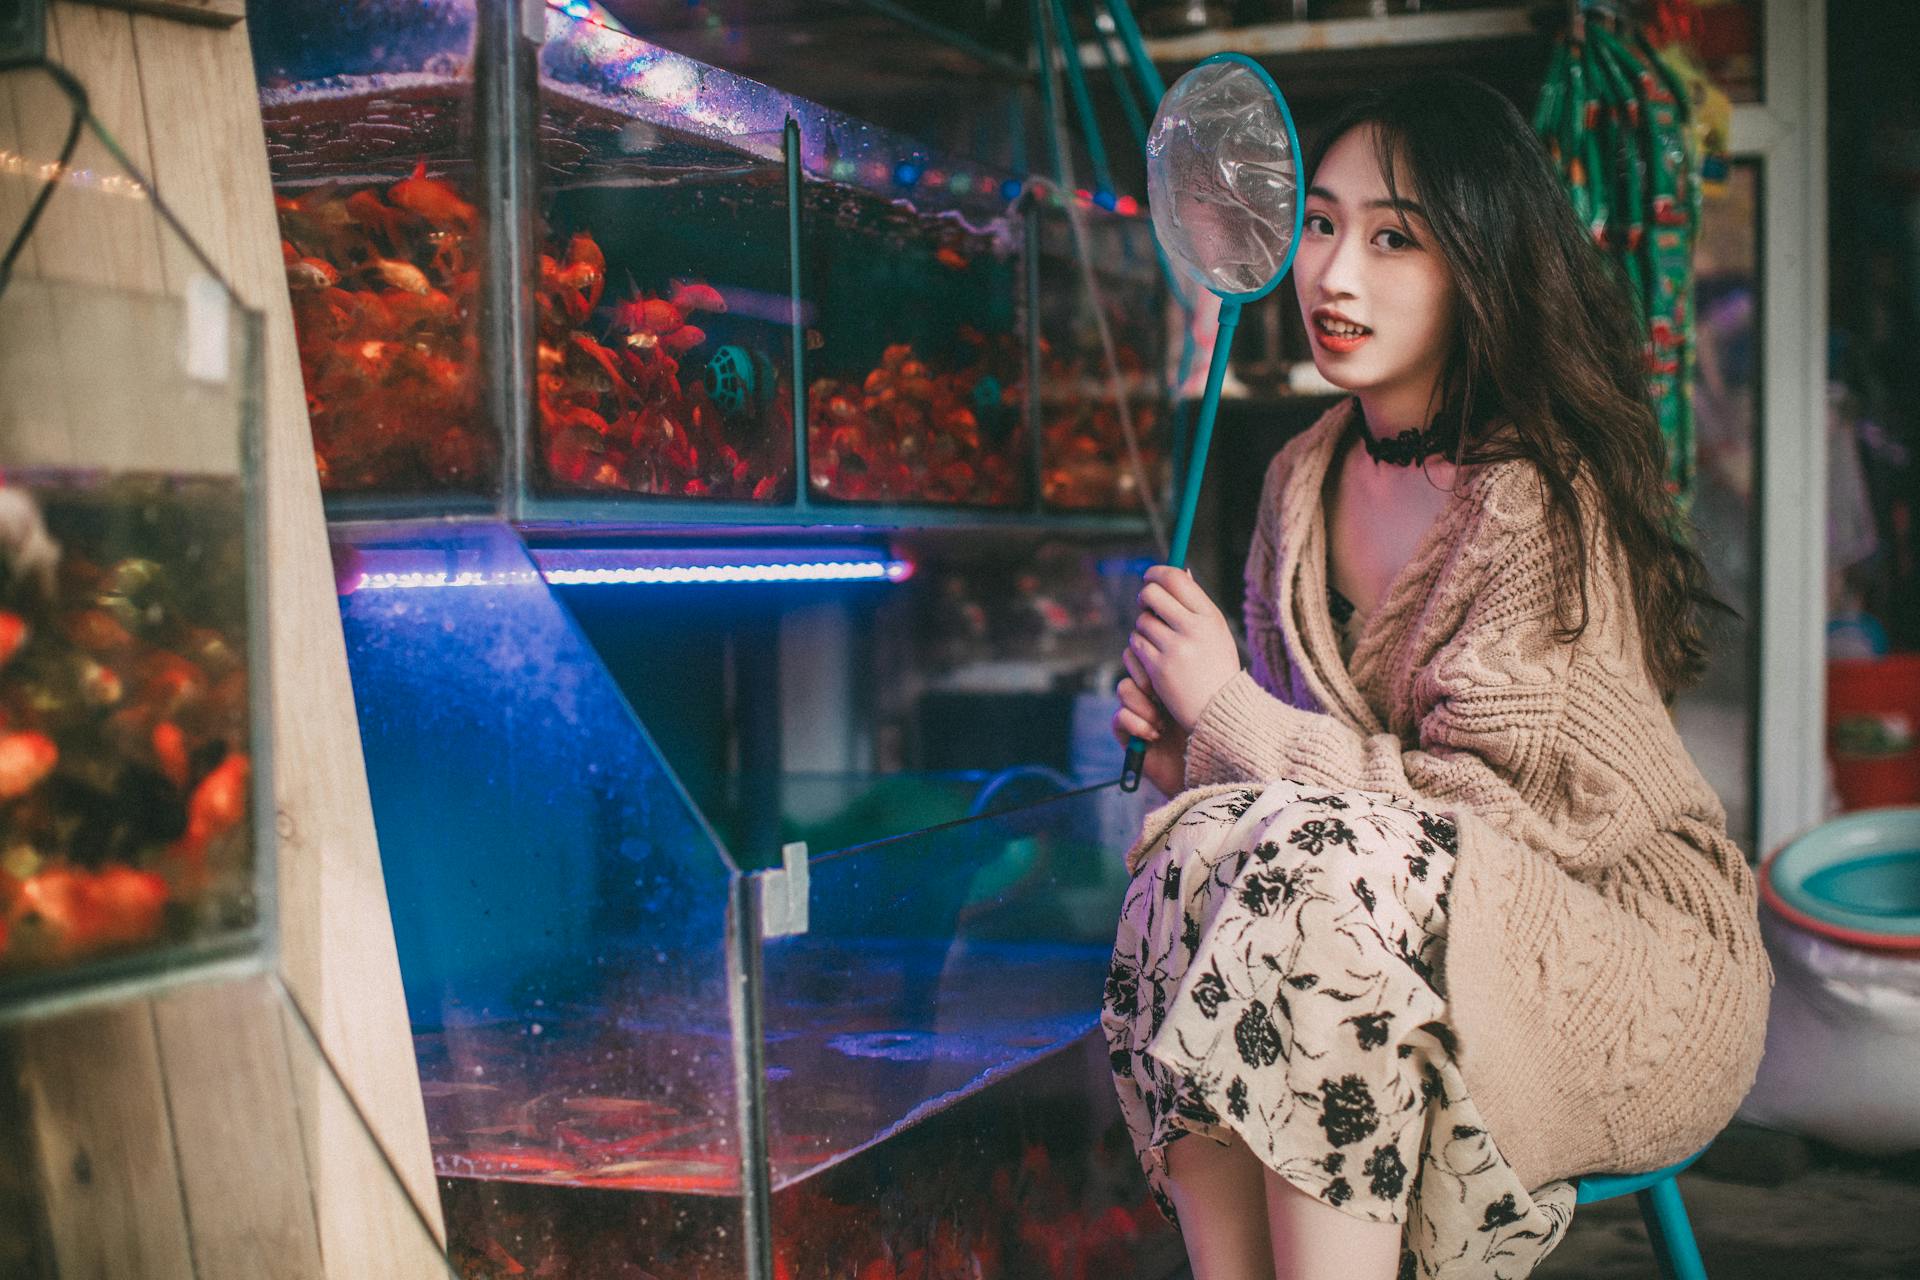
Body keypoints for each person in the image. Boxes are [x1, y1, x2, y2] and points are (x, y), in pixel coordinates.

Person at [1100, 73, 1771, 1280]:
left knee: (1307, 881)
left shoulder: (1535, 504)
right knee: (1191, 853)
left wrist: (1230, 714)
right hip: (1365, 932)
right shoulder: (1297, 482)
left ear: (1477, 267)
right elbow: (1280, 796)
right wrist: (1181, 746)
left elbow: (1492, 815)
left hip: (1604, 941)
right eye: (1320, 223)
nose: (1333, 273)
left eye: (1393, 236)